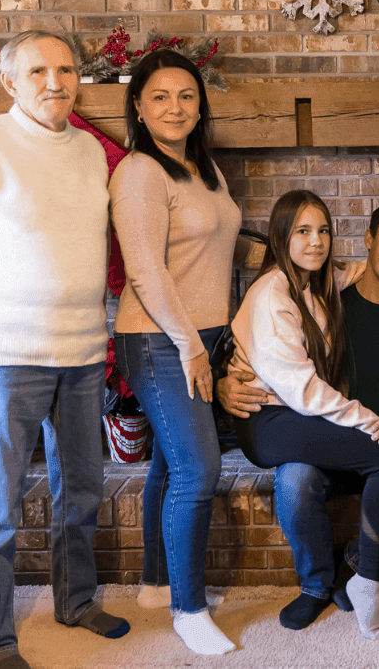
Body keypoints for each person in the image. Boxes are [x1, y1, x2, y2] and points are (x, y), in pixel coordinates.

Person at [0, 30, 130, 669]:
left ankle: (76, 601)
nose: (55, 82)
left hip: (83, 353)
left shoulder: (90, 152)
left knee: (82, 491)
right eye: (38, 71)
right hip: (5, 357)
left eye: (66, 69)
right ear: (9, 82)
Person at [218, 201, 379, 632]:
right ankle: (316, 586)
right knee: (295, 480)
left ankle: (357, 567)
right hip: (333, 429)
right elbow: (292, 379)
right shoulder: (325, 298)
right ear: (369, 240)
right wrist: (226, 383)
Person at [109, 49, 253, 655]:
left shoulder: (203, 168)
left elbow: (220, 249)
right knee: (199, 470)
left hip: (202, 337)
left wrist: (299, 267)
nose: (175, 108)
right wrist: (193, 349)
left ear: (201, 105)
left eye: (187, 95)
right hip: (160, 339)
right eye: (160, 97)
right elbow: (145, 272)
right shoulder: (139, 172)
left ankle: (157, 584)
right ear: (138, 108)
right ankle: (188, 611)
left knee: (170, 465)